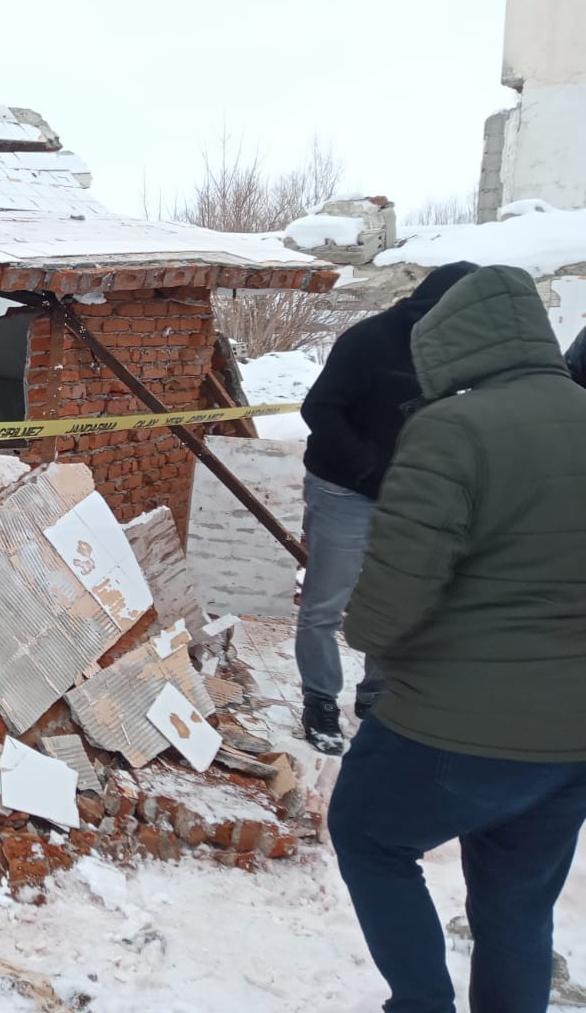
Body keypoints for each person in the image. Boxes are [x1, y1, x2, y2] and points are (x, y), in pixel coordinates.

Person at [328, 265, 586, 1013]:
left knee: (369, 836)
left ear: (448, 343)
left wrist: (364, 631)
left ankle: (421, 1005)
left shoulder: (452, 429)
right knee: (518, 904)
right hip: (571, 742)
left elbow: (388, 603)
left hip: (451, 726)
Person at [294, 261, 477, 753]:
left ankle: (377, 698)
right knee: (325, 606)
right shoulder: (368, 341)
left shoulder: (458, 352)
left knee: (392, 599)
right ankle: (320, 701)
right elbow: (320, 409)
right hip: (344, 489)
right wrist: (369, 469)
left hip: (411, 496)